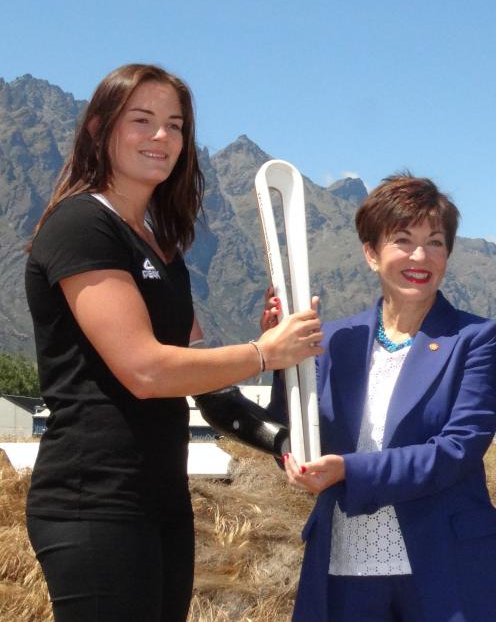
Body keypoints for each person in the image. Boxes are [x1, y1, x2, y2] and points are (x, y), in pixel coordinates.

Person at [24, 63, 323, 622]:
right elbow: (145, 370)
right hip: (94, 503)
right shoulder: (81, 225)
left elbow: (200, 380)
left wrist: (284, 441)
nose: (162, 137)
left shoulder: (162, 248)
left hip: (162, 500)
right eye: (142, 120)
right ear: (98, 129)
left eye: (176, 125)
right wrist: (265, 352)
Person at [263, 173, 496, 622]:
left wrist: (347, 470)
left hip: (443, 567)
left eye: (435, 242)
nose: (420, 256)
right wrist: (279, 357)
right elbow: (296, 433)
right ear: (371, 253)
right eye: (403, 240)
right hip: (343, 564)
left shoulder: (477, 339)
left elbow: (457, 450)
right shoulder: (332, 340)